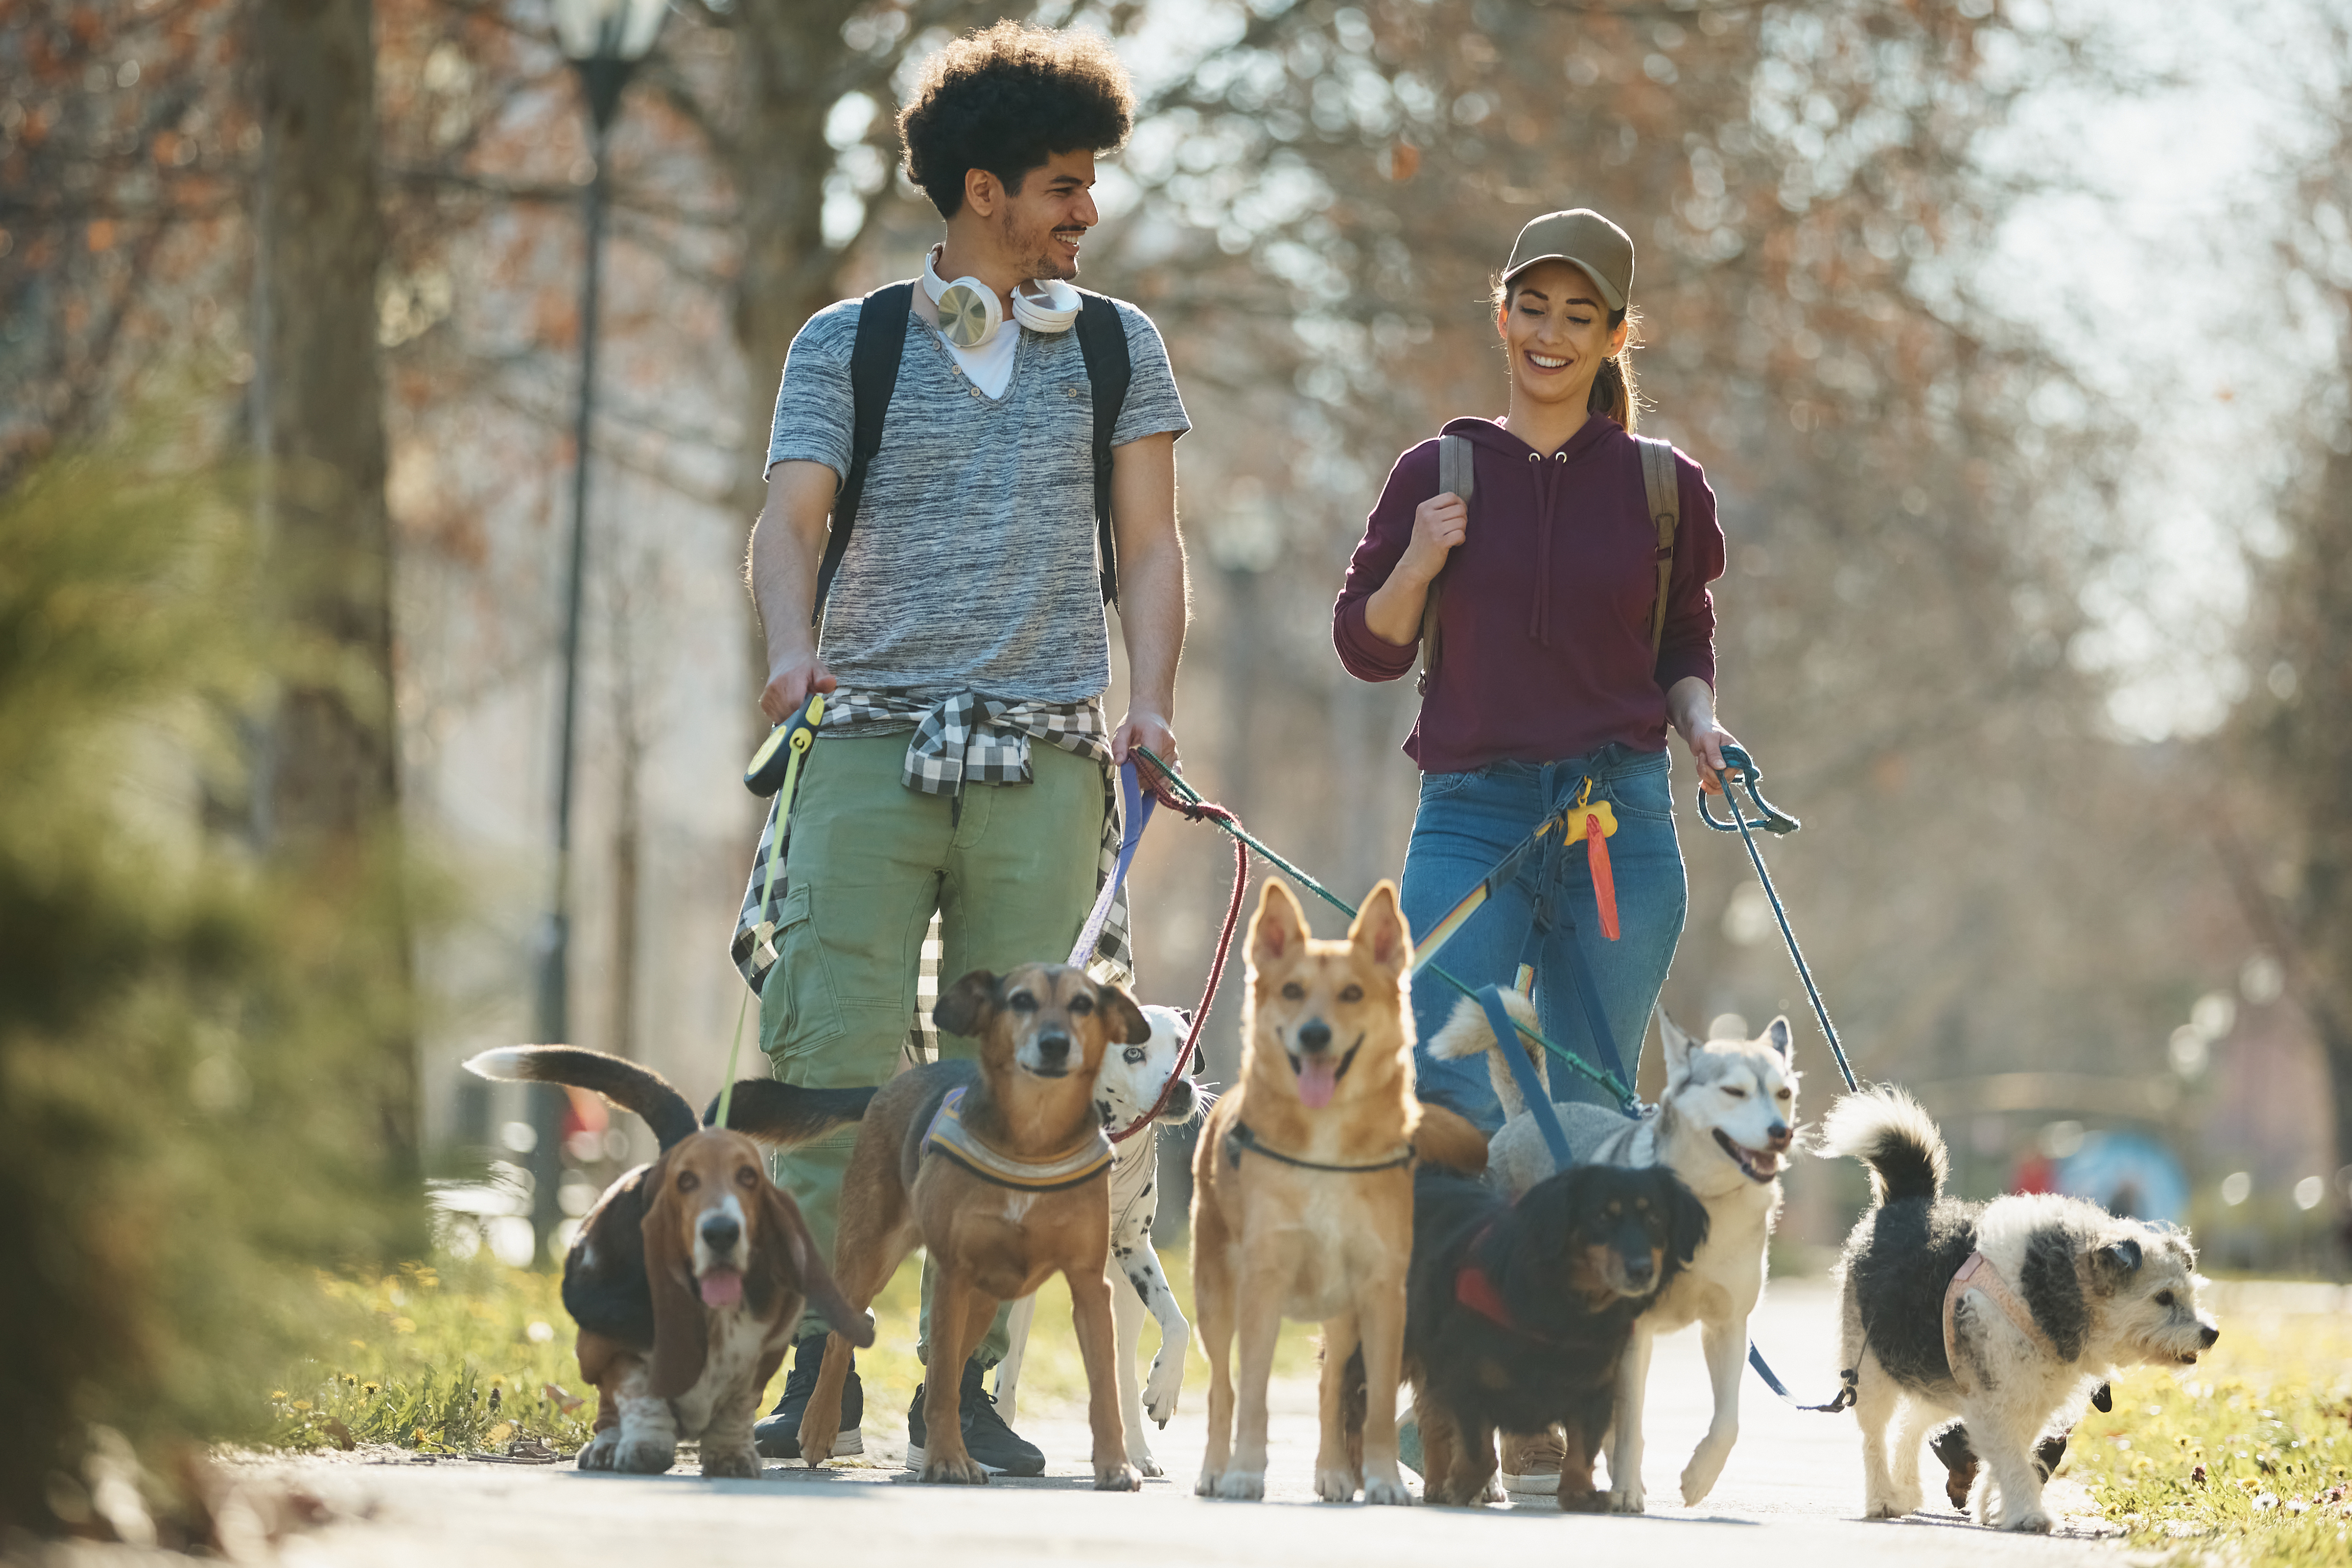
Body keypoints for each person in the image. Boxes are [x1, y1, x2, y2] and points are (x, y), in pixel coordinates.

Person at [733, 22, 1189, 1476]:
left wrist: (1153, 698)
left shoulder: (1117, 347)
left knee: (1016, 1087)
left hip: (1047, 760)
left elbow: (1153, 543)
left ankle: (965, 1383)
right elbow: (786, 522)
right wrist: (788, 649)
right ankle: (818, 1363)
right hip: (864, 745)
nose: (1088, 211)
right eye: (1065, 185)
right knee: (835, 1066)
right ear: (983, 190)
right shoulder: (847, 342)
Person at [1333, 207, 1734, 1133]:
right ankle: (1452, 1279)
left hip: (1619, 826)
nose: (1551, 334)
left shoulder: (1664, 485)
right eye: (1534, 307)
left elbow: (1682, 638)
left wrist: (1702, 722)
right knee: (1446, 1096)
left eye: (1579, 316)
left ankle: (1565, 1280)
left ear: (1614, 336)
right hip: (1471, 815)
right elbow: (1366, 648)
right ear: (1502, 314)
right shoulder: (1438, 469)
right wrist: (1419, 563)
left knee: (1588, 1106)